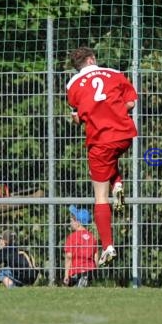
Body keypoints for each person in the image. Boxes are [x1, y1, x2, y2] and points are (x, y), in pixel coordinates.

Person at [67, 46, 138, 266]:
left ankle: (107, 246)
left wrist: (78, 118)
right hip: (125, 134)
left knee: (100, 195)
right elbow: (131, 102)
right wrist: (114, 109)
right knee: (111, 158)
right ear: (92, 60)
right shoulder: (115, 74)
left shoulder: (72, 85)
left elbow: (80, 113)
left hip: (100, 141)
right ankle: (117, 182)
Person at [64, 205, 99, 287]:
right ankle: (86, 278)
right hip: (90, 269)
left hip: (77, 270)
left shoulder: (72, 237)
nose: (70, 221)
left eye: (72, 220)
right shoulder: (92, 237)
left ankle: (81, 280)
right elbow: (96, 256)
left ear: (78, 223)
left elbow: (69, 257)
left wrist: (66, 275)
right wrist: (96, 271)